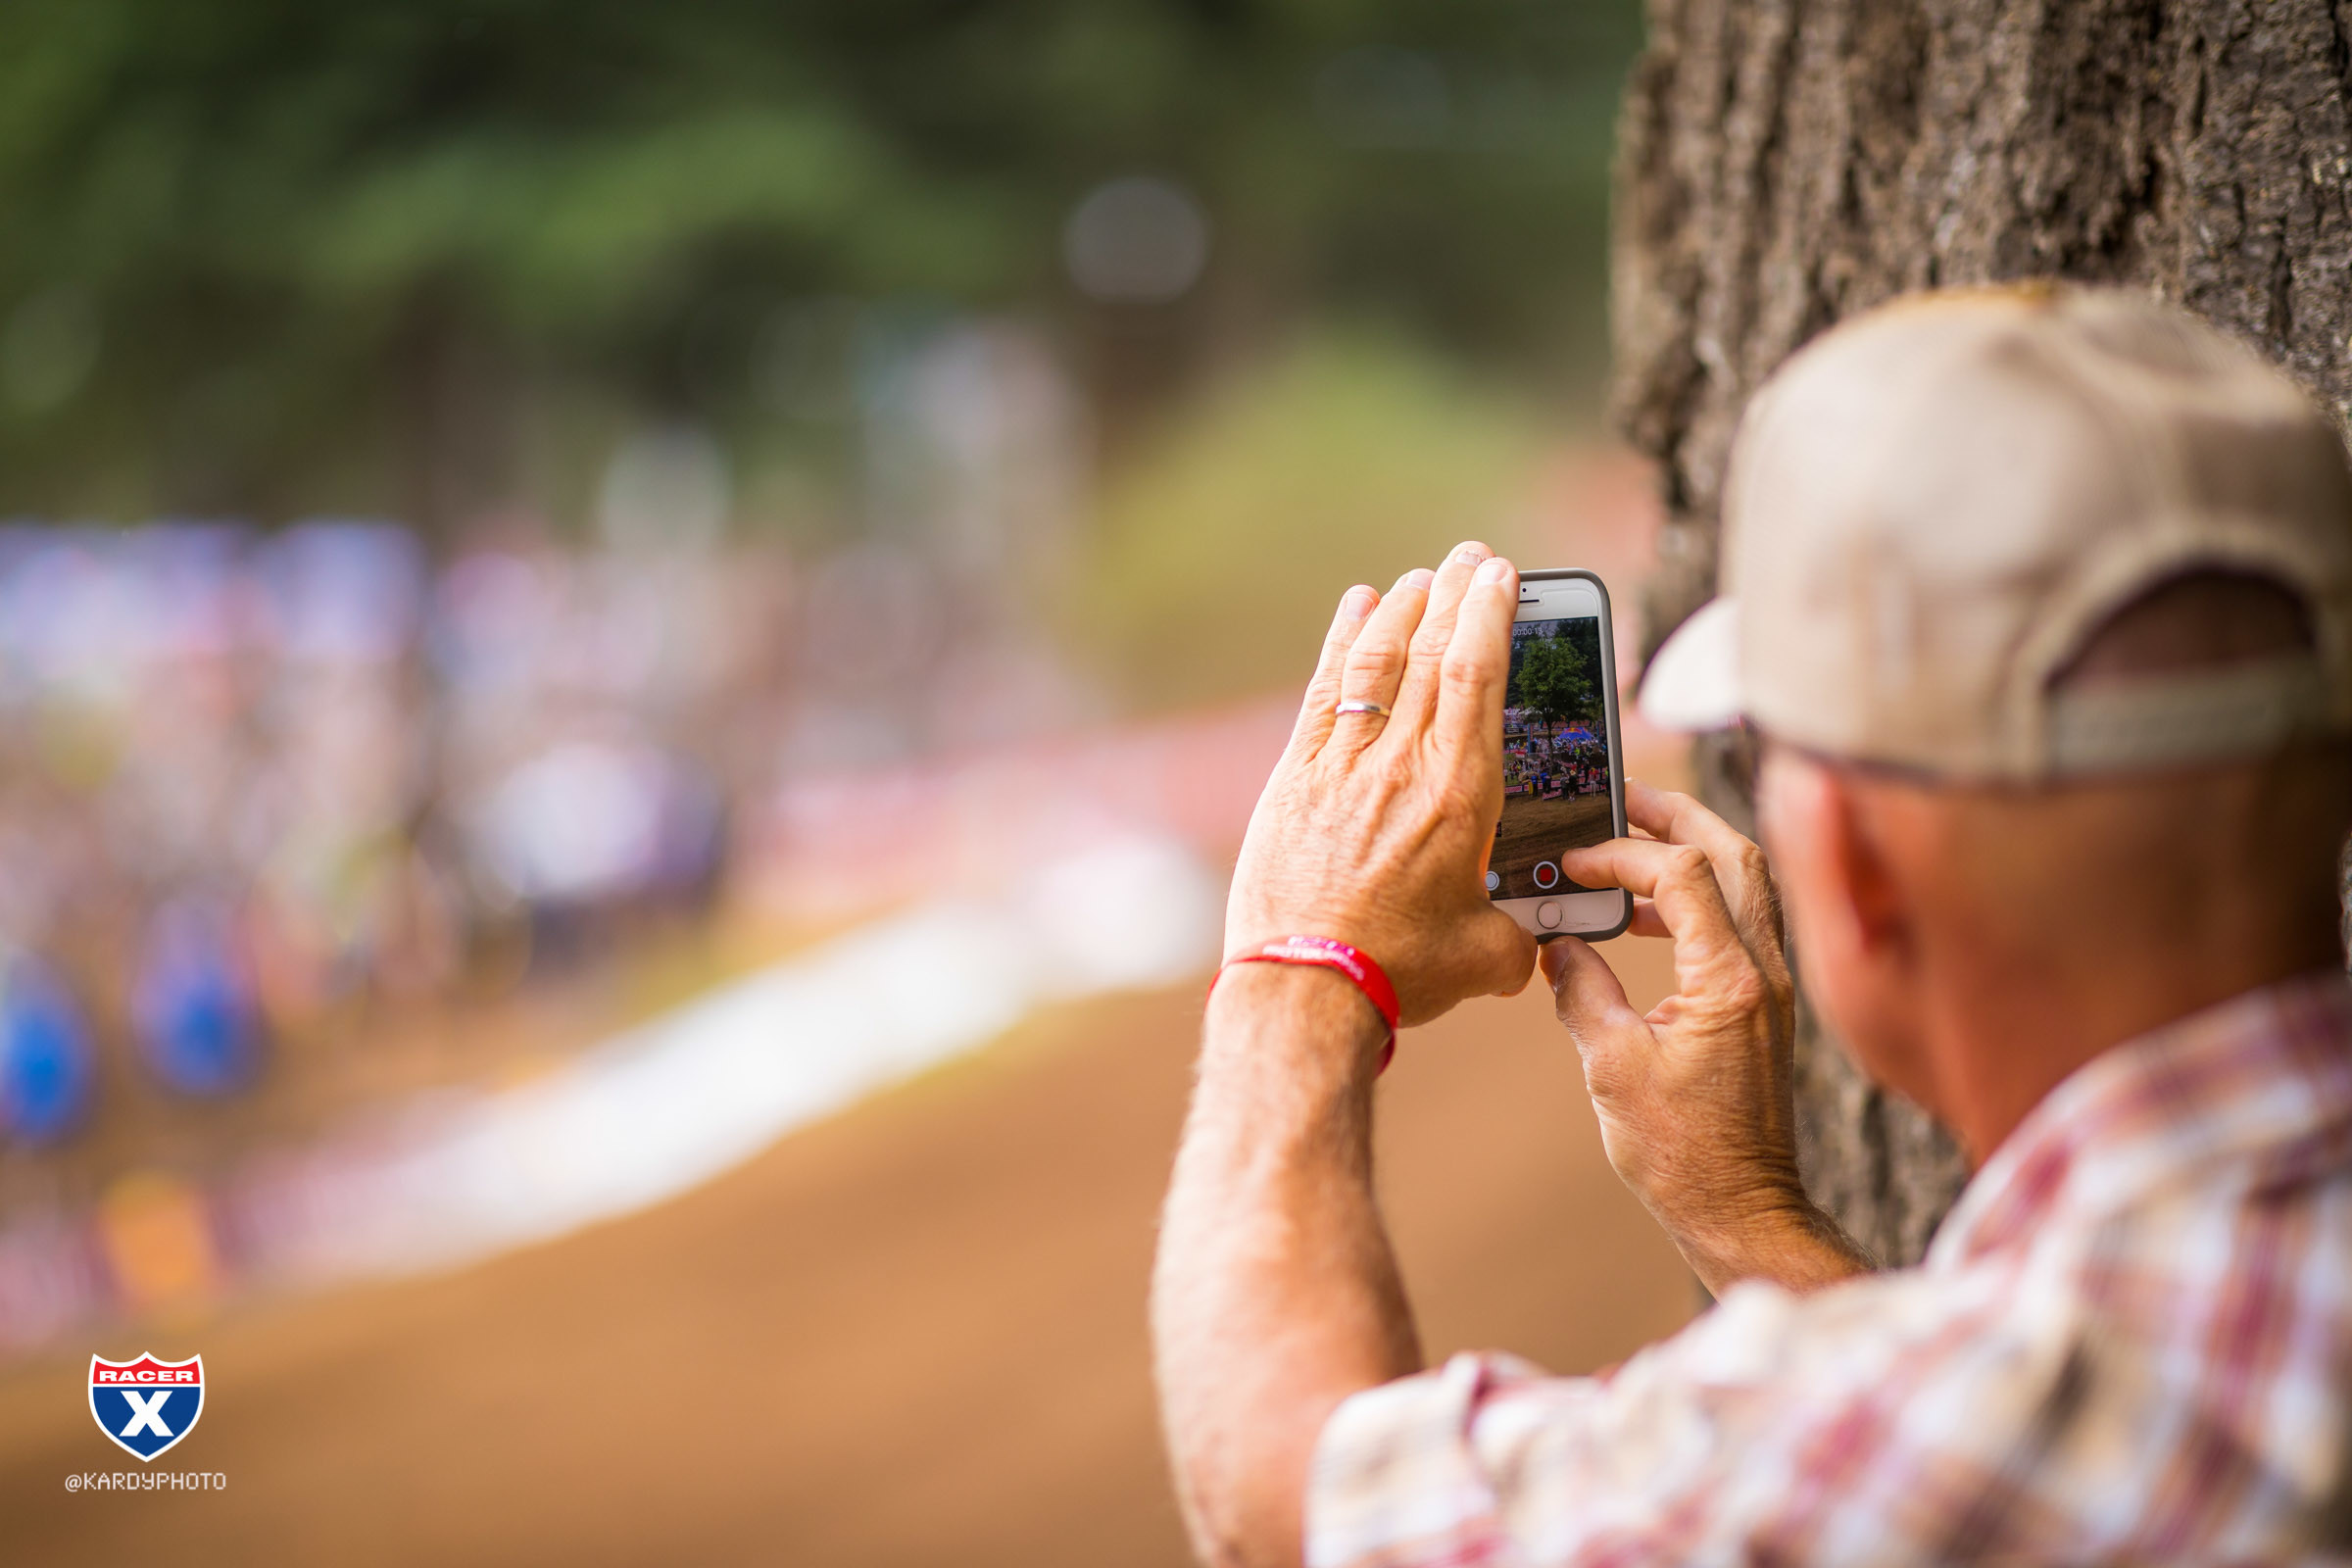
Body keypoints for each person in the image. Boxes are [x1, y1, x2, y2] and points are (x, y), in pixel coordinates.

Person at [1152, 287, 2352, 1566]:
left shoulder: (2002, 1413)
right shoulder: (2092, 1392)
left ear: (1856, 857)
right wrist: (1740, 1208)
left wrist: (1295, 958)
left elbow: (1289, 1496)